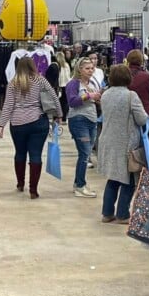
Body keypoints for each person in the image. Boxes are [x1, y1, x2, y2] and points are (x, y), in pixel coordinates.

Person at [0, 57, 62, 199]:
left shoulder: (13, 83)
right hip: (38, 122)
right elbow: (54, 98)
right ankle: (33, 190)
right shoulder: (41, 80)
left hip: (17, 123)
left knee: (20, 153)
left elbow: (8, 105)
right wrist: (59, 115)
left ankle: (20, 183)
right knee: (35, 155)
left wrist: (2, 124)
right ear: (33, 66)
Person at [98, 64, 149, 224]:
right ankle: (122, 214)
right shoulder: (131, 95)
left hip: (107, 140)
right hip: (126, 142)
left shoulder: (105, 94)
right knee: (129, 179)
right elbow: (141, 119)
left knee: (113, 178)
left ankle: (107, 213)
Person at [65, 58, 101, 198]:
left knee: (86, 153)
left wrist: (97, 97)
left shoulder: (93, 82)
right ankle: (80, 185)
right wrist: (88, 96)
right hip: (79, 120)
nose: (90, 71)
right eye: (87, 68)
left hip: (92, 119)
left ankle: (79, 183)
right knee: (85, 153)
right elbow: (72, 102)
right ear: (79, 69)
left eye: (92, 68)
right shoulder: (73, 84)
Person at [126, 50, 149, 117]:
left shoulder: (122, 75)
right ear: (141, 61)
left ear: (128, 60)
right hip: (144, 114)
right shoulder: (147, 77)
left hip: (126, 114)